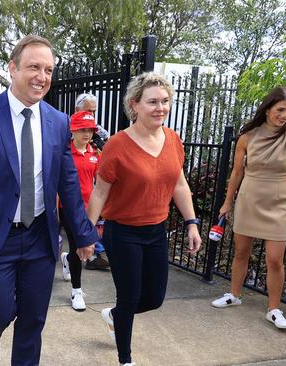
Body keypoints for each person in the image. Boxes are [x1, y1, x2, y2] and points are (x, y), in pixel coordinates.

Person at [0, 35, 98, 366]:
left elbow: (68, 182)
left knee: (33, 319)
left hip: (39, 237)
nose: (42, 77)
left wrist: (83, 233)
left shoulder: (58, 121)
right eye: (34, 67)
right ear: (12, 68)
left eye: (48, 69)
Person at [86, 72, 202, 366]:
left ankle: (114, 316)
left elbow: (179, 185)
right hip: (122, 232)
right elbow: (99, 193)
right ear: (135, 105)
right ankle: (125, 359)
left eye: (165, 101)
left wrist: (191, 222)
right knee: (129, 297)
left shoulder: (173, 140)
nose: (160, 108)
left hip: (155, 230)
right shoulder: (118, 145)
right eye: (152, 102)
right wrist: (86, 234)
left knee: (153, 299)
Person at [211, 86, 286, 329]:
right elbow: (237, 172)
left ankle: (274, 309)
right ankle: (234, 295)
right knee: (241, 252)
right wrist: (227, 201)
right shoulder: (248, 137)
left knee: (275, 260)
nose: (285, 115)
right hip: (249, 198)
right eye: (280, 109)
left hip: (279, 201)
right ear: (267, 109)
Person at [58, 111, 102, 311]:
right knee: (78, 244)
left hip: (87, 208)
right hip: (66, 207)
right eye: (82, 130)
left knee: (80, 246)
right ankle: (77, 289)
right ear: (72, 130)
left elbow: (100, 184)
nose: (86, 134)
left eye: (90, 130)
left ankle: (68, 260)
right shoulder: (63, 152)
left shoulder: (95, 154)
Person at [72, 92, 110, 270]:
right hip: (69, 196)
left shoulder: (99, 131)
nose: (91, 115)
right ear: (77, 109)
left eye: (94, 111)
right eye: (88, 110)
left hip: (90, 188)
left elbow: (107, 150)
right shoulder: (65, 128)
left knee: (91, 225)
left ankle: (94, 253)